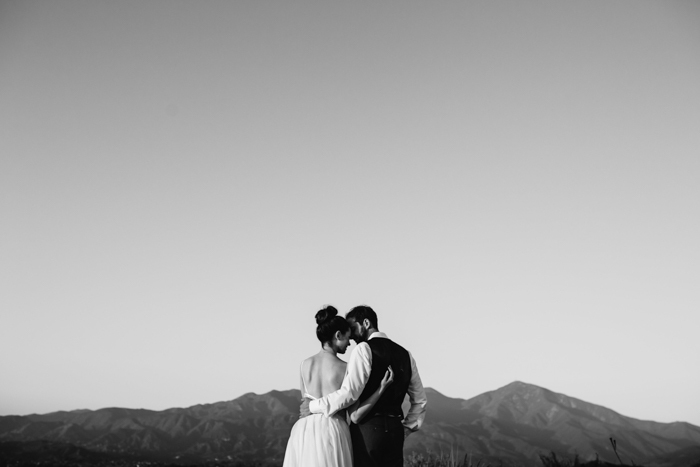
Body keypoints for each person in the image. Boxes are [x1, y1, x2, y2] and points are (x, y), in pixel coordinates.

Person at [301, 305, 428, 467]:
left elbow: (349, 394)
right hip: (395, 430)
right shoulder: (406, 354)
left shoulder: (363, 349)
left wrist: (312, 406)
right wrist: (407, 429)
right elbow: (420, 400)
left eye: (353, 328)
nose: (352, 335)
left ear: (366, 323)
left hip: (368, 430)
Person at [282, 306, 395, 467]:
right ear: (338, 335)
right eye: (347, 338)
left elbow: (306, 405)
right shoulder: (345, 367)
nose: (349, 343)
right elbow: (354, 413)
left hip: (304, 431)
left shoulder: (304, 365)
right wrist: (380, 390)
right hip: (332, 430)